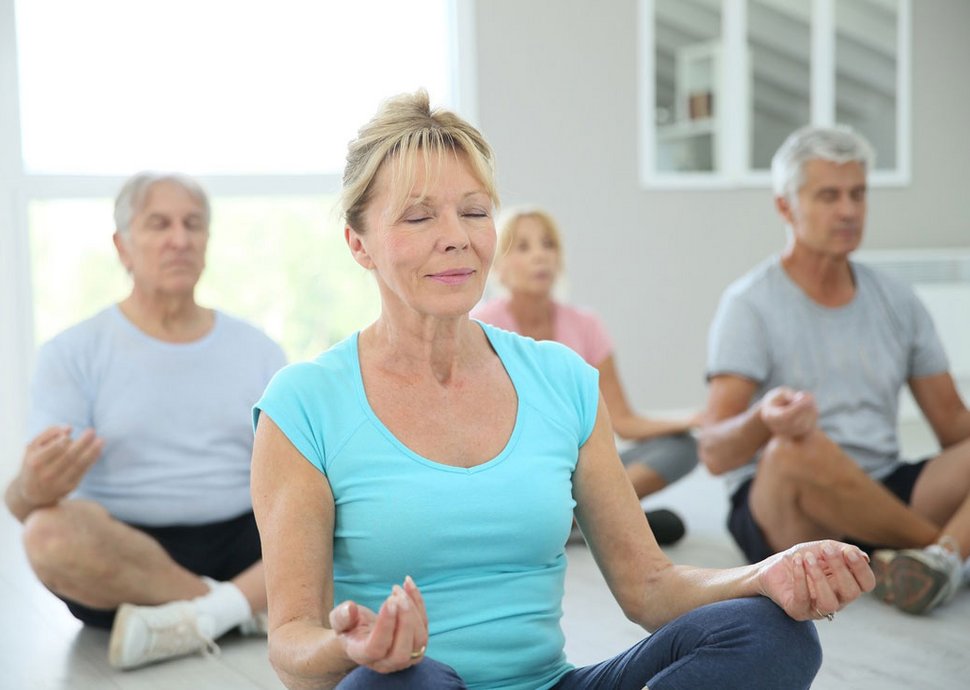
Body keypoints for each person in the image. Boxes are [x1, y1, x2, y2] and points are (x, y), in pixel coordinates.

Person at [249, 90, 874, 690]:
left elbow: (649, 586)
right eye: (418, 216)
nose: (457, 236)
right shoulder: (303, 404)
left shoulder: (563, 377)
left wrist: (765, 573)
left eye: (473, 211)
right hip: (408, 684)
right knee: (405, 681)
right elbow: (292, 646)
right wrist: (351, 647)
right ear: (358, 242)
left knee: (769, 632)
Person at [4, 172, 287, 669]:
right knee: (46, 534)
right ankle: (236, 609)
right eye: (159, 224)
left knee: (341, 501)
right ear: (123, 245)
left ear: (207, 241)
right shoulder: (72, 353)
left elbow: (294, 478)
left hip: (247, 544)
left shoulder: (258, 350)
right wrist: (33, 485)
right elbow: (22, 504)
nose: (179, 239)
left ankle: (204, 614)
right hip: (121, 558)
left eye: (193, 224)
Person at [700, 124, 970, 616]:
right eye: (828, 195)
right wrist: (763, 420)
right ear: (786, 206)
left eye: (858, 194)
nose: (848, 210)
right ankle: (948, 551)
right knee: (794, 451)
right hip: (786, 508)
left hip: (885, 483)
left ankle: (930, 559)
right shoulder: (749, 304)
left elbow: (954, 426)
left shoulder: (898, 300)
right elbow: (714, 452)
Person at [472, 207, 699, 545]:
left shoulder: (587, 325)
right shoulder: (480, 327)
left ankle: (571, 519)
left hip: (582, 470)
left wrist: (693, 419)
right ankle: (589, 519)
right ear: (499, 266)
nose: (540, 256)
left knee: (682, 447)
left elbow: (623, 420)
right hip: (520, 471)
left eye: (548, 244)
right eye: (523, 247)